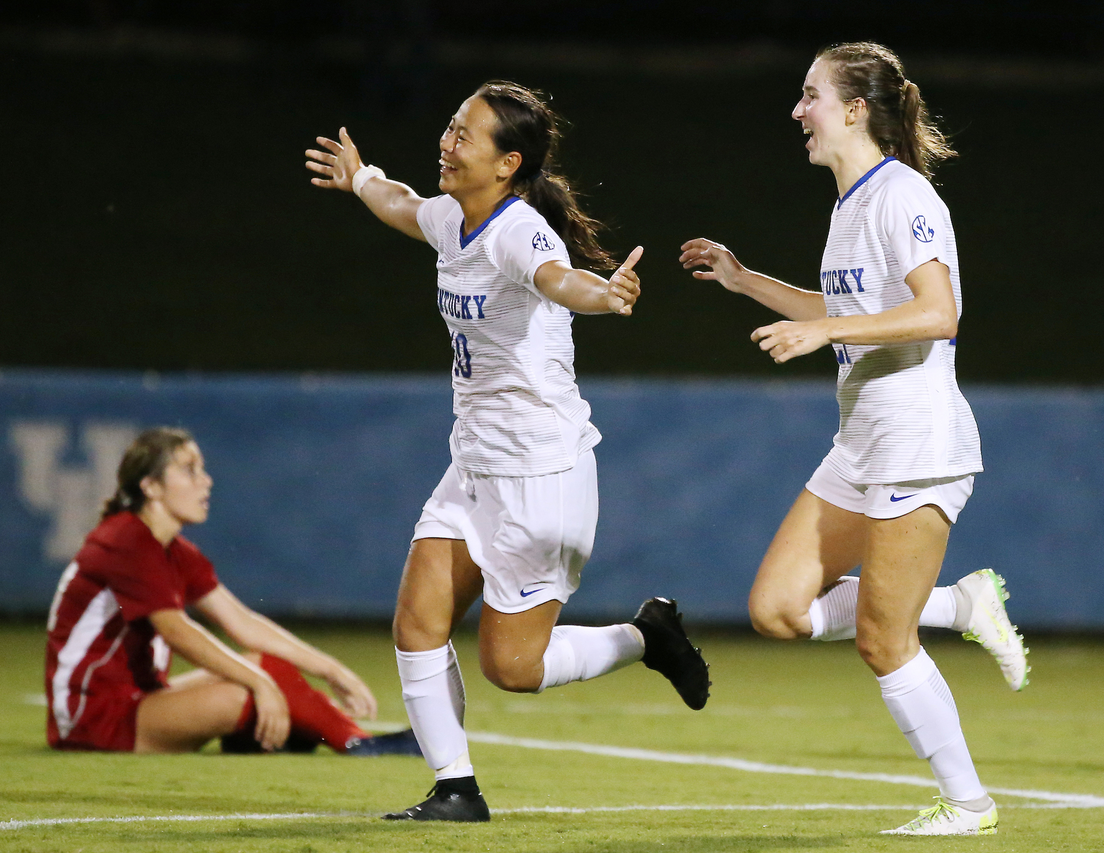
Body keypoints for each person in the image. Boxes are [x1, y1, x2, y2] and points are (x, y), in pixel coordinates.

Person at [306, 80, 711, 822]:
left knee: (512, 668)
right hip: (474, 466)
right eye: (451, 124)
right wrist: (360, 174)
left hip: (540, 475)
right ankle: (455, 787)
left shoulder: (519, 230)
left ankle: (644, 635)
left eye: (466, 133)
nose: (448, 140)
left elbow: (559, 279)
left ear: (508, 162)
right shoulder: (453, 216)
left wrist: (606, 294)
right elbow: (401, 202)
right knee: (417, 620)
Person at [679, 42, 1028, 836]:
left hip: (920, 444)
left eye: (810, 96)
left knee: (881, 637)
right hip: (861, 444)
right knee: (775, 608)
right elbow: (840, 302)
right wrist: (743, 280)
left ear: (855, 109)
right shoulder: (850, 200)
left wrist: (828, 329)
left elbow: (939, 313)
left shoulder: (904, 195)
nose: (797, 111)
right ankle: (959, 602)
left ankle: (968, 803)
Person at [45, 426, 423, 758]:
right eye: (189, 470)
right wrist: (258, 684)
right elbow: (177, 632)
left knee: (266, 665)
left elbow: (241, 622)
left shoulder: (171, 550)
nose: (205, 481)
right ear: (151, 486)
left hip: (138, 700)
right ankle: (350, 744)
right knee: (247, 688)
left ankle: (293, 734)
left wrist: (330, 669)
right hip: (92, 718)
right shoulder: (128, 540)